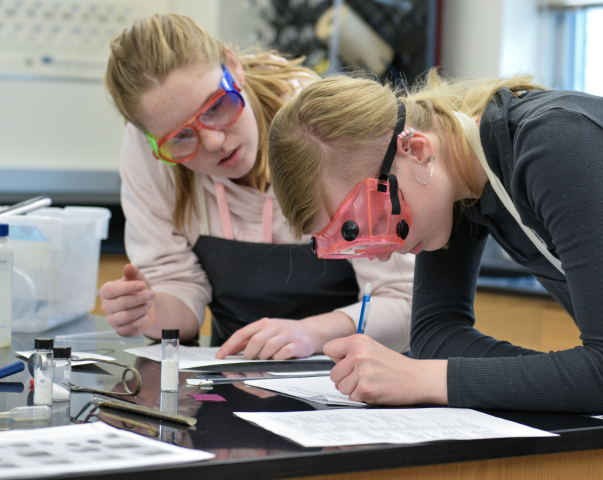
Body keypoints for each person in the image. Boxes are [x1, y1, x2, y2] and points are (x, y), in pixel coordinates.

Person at [267, 70, 603, 412]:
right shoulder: (454, 192)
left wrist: (420, 378)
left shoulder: (556, 142)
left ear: (416, 150)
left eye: (378, 218)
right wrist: (566, 378)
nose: (382, 256)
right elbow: (434, 338)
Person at [99, 13, 414, 360]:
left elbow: (405, 303)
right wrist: (149, 313)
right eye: (181, 137)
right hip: (239, 376)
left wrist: (311, 334)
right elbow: (179, 290)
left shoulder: (324, 129)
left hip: (354, 376)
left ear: (233, 67)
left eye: (217, 105)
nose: (215, 140)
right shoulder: (149, 153)